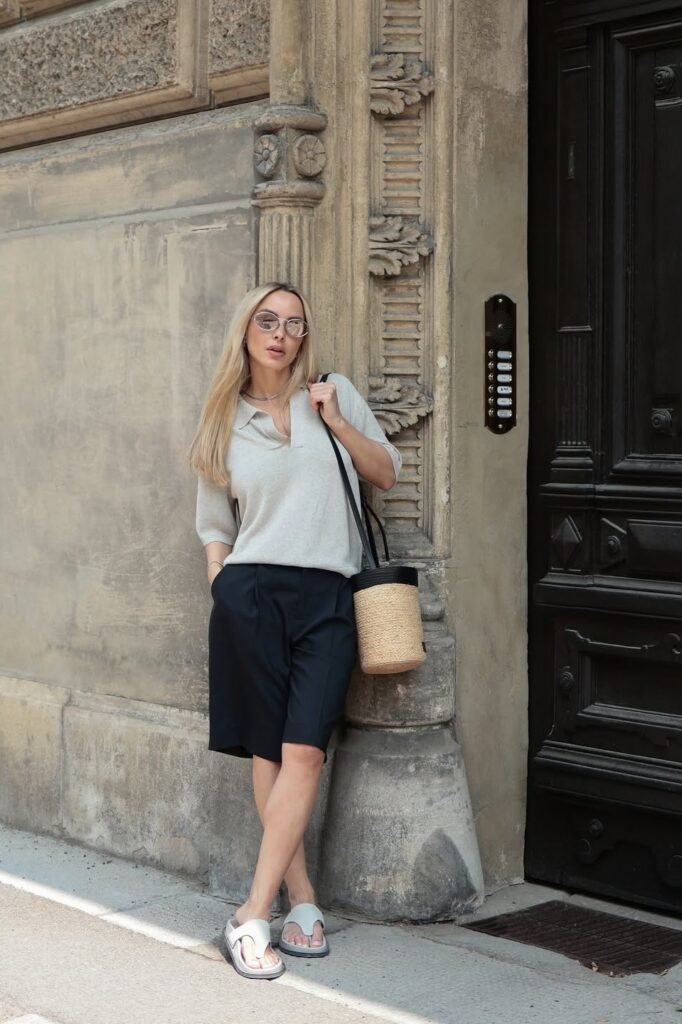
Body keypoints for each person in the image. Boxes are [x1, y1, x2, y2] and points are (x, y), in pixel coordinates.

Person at [188, 281, 401, 980]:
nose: (281, 334)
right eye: (268, 321)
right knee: (270, 755)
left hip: (328, 595)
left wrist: (337, 422)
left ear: (305, 337)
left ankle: (250, 914)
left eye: (294, 324)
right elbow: (215, 526)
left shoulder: (330, 393)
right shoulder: (222, 417)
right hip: (251, 595)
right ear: (246, 331)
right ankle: (302, 901)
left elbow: (388, 473)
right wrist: (223, 580)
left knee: (306, 751)